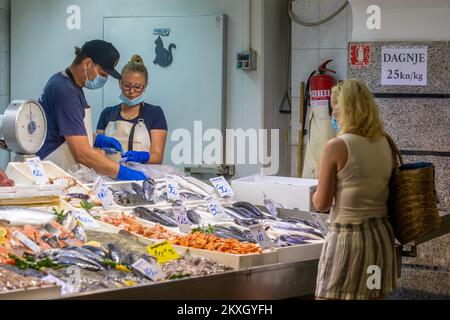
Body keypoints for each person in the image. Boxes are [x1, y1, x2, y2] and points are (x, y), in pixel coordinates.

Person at [312, 79, 396, 300]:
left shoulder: (337, 146)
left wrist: (315, 191)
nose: (333, 110)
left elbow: (321, 204)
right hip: (380, 240)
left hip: (349, 242)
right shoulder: (385, 142)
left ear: (347, 107)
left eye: (335, 103)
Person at [36, 40, 147, 181]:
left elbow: (69, 129)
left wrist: (96, 139)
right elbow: (82, 153)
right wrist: (124, 173)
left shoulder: (67, 84)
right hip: (53, 171)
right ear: (87, 63)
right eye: (103, 73)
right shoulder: (65, 91)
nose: (105, 79)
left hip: (61, 170)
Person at [95, 55, 167, 164]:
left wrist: (142, 157)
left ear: (145, 86)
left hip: (143, 176)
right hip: (110, 175)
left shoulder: (154, 113)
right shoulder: (108, 113)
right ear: (120, 83)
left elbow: (157, 157)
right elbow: (96, 150)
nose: (131, 91)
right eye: (127, 85)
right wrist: (101, 151)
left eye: (137, 87)